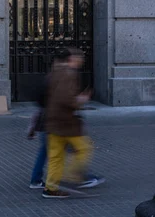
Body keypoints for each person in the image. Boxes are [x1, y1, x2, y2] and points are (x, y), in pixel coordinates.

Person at [42, 48, 104, 199]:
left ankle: (51, 187)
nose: (81, 61)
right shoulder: (69, 74)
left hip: (53, 120)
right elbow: (65, 98)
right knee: (84, 148)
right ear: (72, 59)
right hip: (66, 123)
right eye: (79, 58)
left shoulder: (55, 72)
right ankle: (71, 175)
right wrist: (80, 100)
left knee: (55, 156)